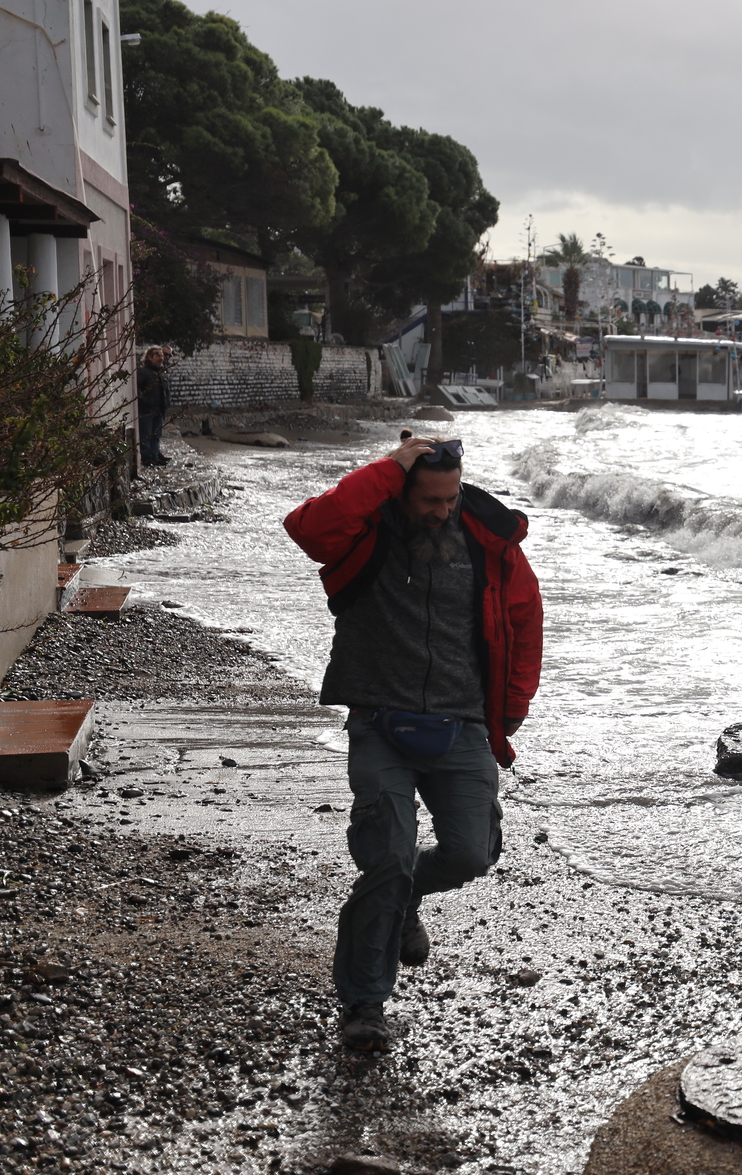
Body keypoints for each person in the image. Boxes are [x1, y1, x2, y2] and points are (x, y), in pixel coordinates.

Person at [283, 436, 543, 1051]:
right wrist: (390, 468)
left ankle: (403, 904)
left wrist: (510, 710)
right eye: (429, 499)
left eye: (450, 498)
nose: (442, 511)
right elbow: (310, 529)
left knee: (471, 854)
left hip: (464, 726)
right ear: (403, 489)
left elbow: (525, 619)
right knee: (388, 857)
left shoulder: (488, 543)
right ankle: (365, 1006)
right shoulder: (365, 531)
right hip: (380, 722)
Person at [136, 347, 171, 467]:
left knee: (156, 435)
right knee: (146, 435)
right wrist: (144, 401)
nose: (161, 358)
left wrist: (166, 404)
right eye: (158, 355)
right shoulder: (143, 372)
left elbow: (166, 391)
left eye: (162, 355)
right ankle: (147, 458)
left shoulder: (162, 373)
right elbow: (137, 389)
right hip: (147, 410)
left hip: (159, 410)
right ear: (150, 357)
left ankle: (154, 457)